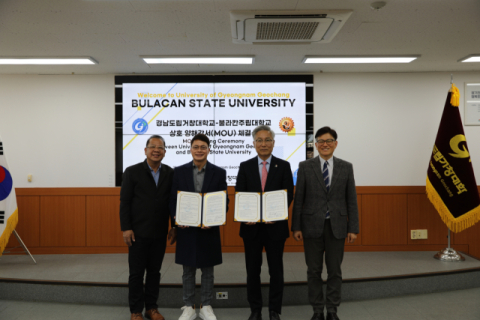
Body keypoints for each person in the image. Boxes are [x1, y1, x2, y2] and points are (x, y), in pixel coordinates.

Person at [292, 126, 359, 320]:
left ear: (335, 144)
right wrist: (296, 226)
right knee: (313, 270)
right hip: (311, 226)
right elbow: (299, 199)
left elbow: (351, 199)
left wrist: (353, 227)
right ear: (316, 145)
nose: (324, 144)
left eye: (329, 141)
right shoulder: (305, 167)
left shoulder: (346, 167)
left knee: (335, 271)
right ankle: (316, 310)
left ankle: (332, 310)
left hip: (337, 227)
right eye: (320, 141)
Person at [235, 125, 294, 320]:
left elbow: (288, 195)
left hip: (275, 227)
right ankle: (256, 309)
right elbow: (240, 195)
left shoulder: (283, 166)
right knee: (253, 271)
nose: (263, 144)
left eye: (267, 140)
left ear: (273, 143)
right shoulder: (245, 166)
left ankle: (274, 310)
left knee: (276, 270)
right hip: (251, 228)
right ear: (253, 144)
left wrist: (274, 214)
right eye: (259, 140)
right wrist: (246, 216)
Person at [170, 133, 228, 320]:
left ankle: (206, 305)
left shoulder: (218, 172)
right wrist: (177, 219)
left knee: (208, 269)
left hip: (209, 229)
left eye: (203, 147)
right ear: (190, 149)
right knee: (188, 269)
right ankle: (188, 306)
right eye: (196, 147)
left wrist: (214, 219)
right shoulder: (178, 171)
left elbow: (223, 200)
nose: (199, 150)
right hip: (186, 228)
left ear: (209, 149)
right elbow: (173, 200)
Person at [120, 135, 176, 320]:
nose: (156, 150)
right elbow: (125, 202)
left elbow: (172, 203)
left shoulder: (170, 173)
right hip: (137, 233)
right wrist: (126, 228)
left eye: (160, 147)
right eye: (152, 146)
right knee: (136, 274)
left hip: (159, 233)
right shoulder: (132, 171)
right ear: (145, 150)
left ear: (165, 152)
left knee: (154, 273)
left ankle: (151, 308)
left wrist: (174, 226)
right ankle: (135, 310)